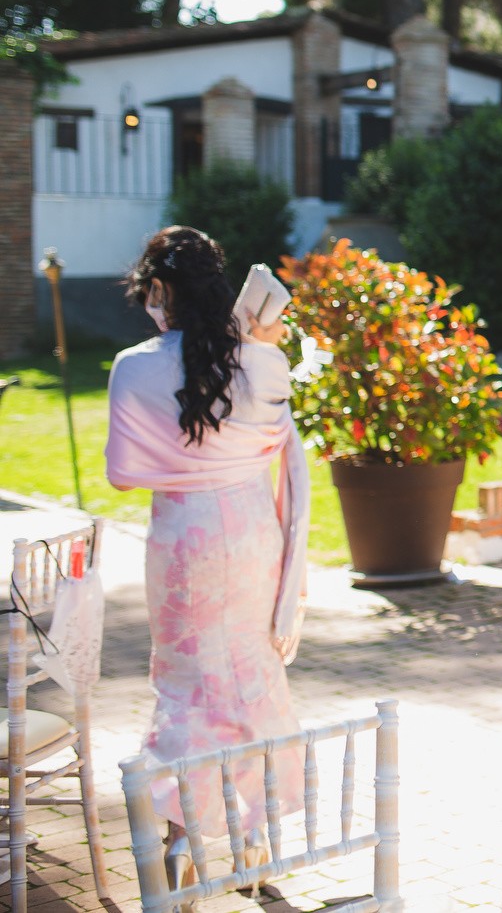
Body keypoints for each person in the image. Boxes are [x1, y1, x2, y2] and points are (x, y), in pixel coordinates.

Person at [104, 226, 309, 885]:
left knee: (187, 683)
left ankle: (182, 840)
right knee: (251, 672)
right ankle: (253, 838)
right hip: (251, 535)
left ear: (160, 290)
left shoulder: (132, 367)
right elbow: (273, 439)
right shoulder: (262, 363)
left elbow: (123, 473)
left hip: (182, 539)